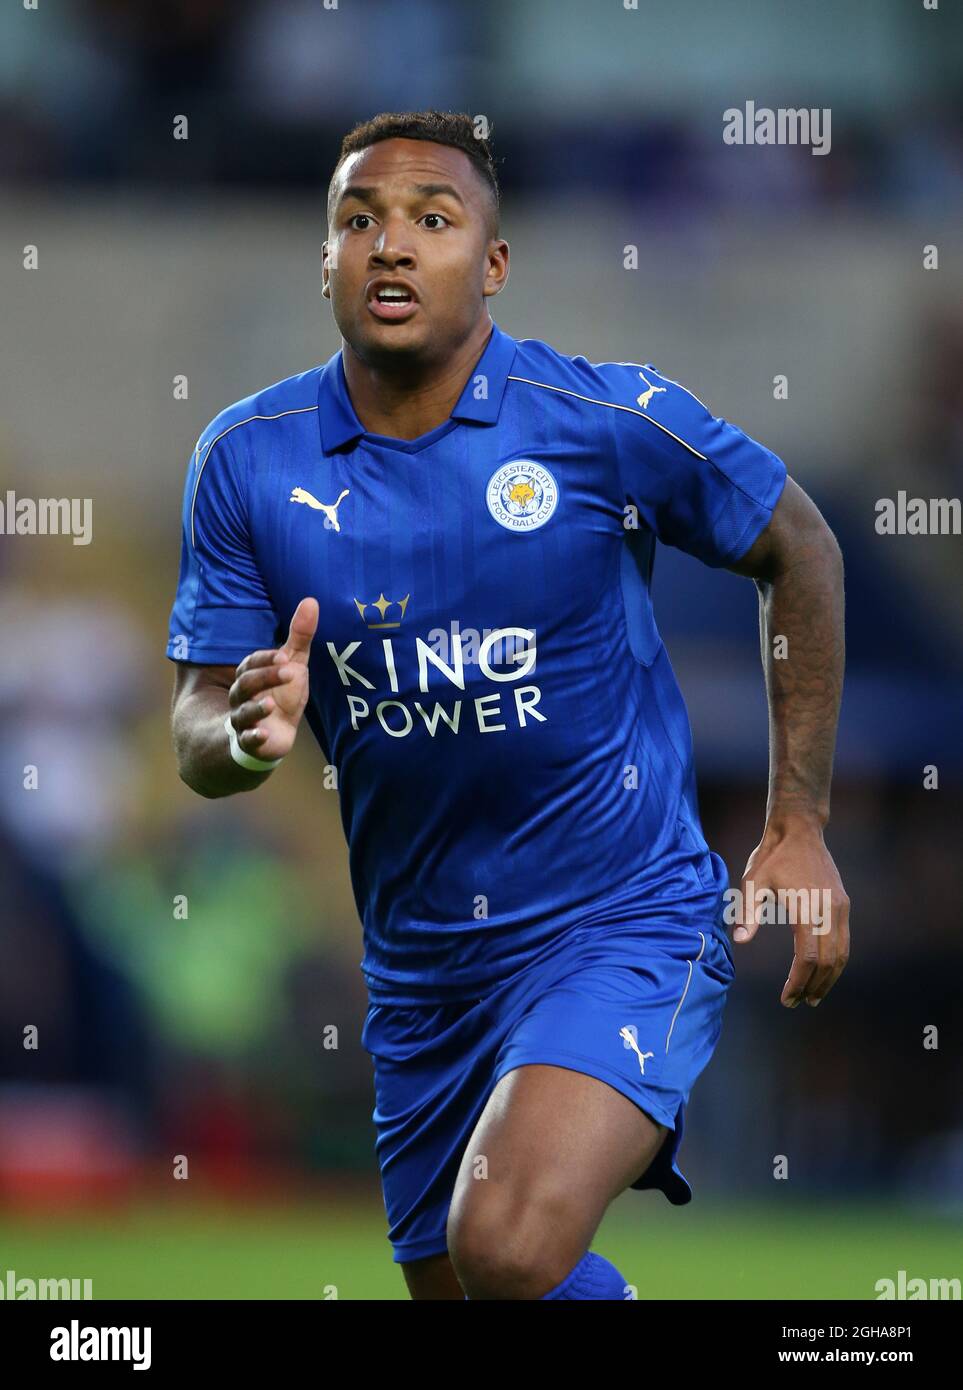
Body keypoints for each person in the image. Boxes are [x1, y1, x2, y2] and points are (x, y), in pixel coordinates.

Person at [167, 111, 849, 1300]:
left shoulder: (602, 422)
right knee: (477, 1291)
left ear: (492, 266)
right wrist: (236, 737)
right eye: (359, 220)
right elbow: (196, 730)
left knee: (508, 1244)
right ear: (322, 260)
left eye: (432, 220)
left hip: (620, 923)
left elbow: (802, 545)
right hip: (422, 970)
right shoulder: (244, 461)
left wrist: (797, 820)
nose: (390, 246)